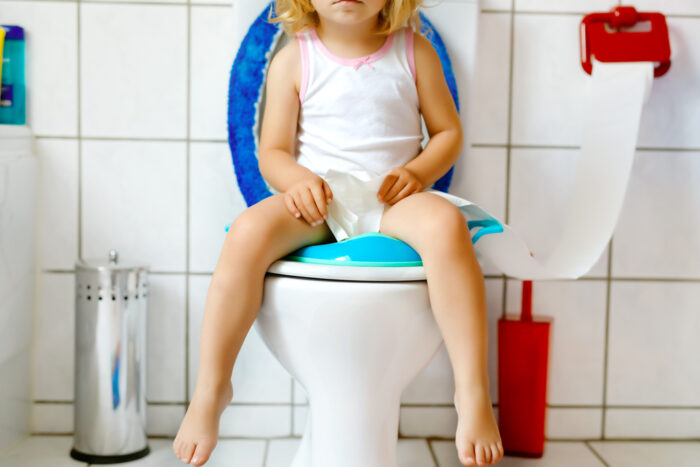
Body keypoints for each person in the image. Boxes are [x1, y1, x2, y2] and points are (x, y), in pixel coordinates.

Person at [173, 0, 504, 465]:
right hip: (320, 202)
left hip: (393, 200)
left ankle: (470, 393)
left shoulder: (415, 52)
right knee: (246, 232)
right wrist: (297, 182)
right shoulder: (294, 59)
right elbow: (272, 151)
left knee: (447, 226)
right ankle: (211, 390)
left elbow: (447, 132)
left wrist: (418, 171)